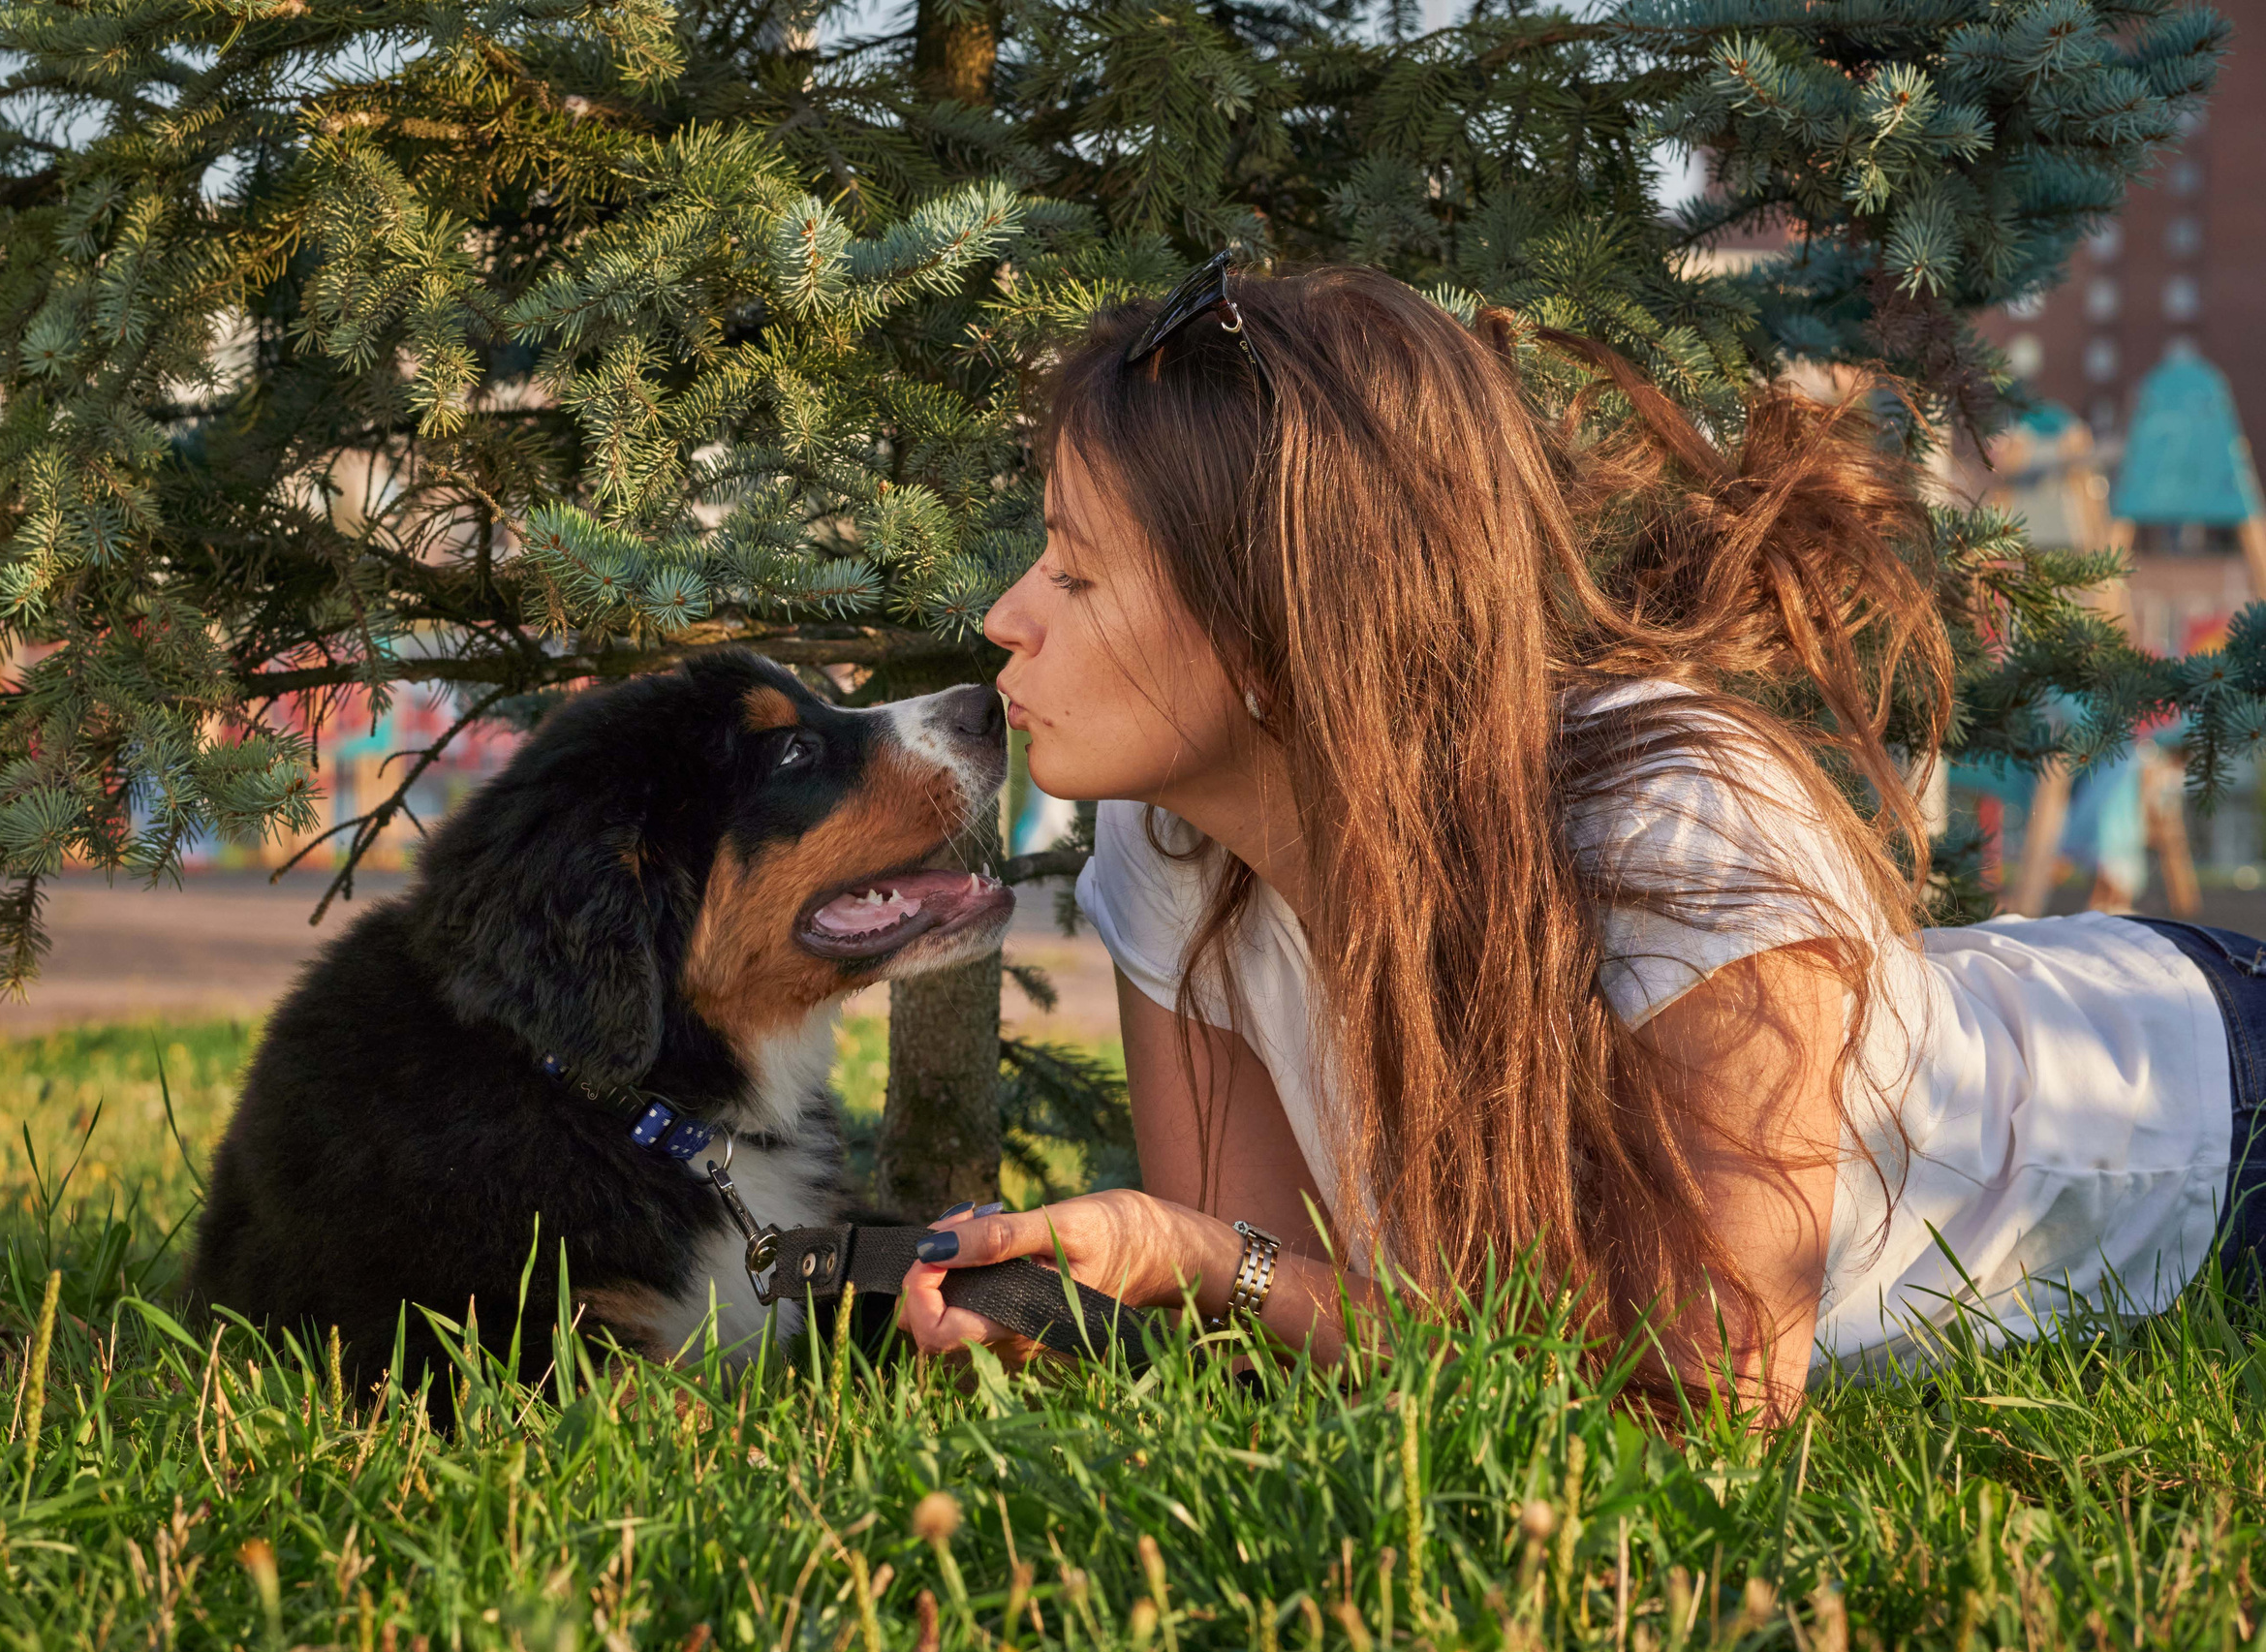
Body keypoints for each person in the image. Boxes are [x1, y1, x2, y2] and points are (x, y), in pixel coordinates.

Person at [892, 257, 2266, 1420]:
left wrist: (1209, 1260)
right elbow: (1285, 1320)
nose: (1009, 615)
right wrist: (1170, 1259)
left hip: (2205, 1121)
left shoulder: (1672, 819)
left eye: (1076, 571)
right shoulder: (1172, 842)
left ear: (1269, 631)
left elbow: (1700, 1401)